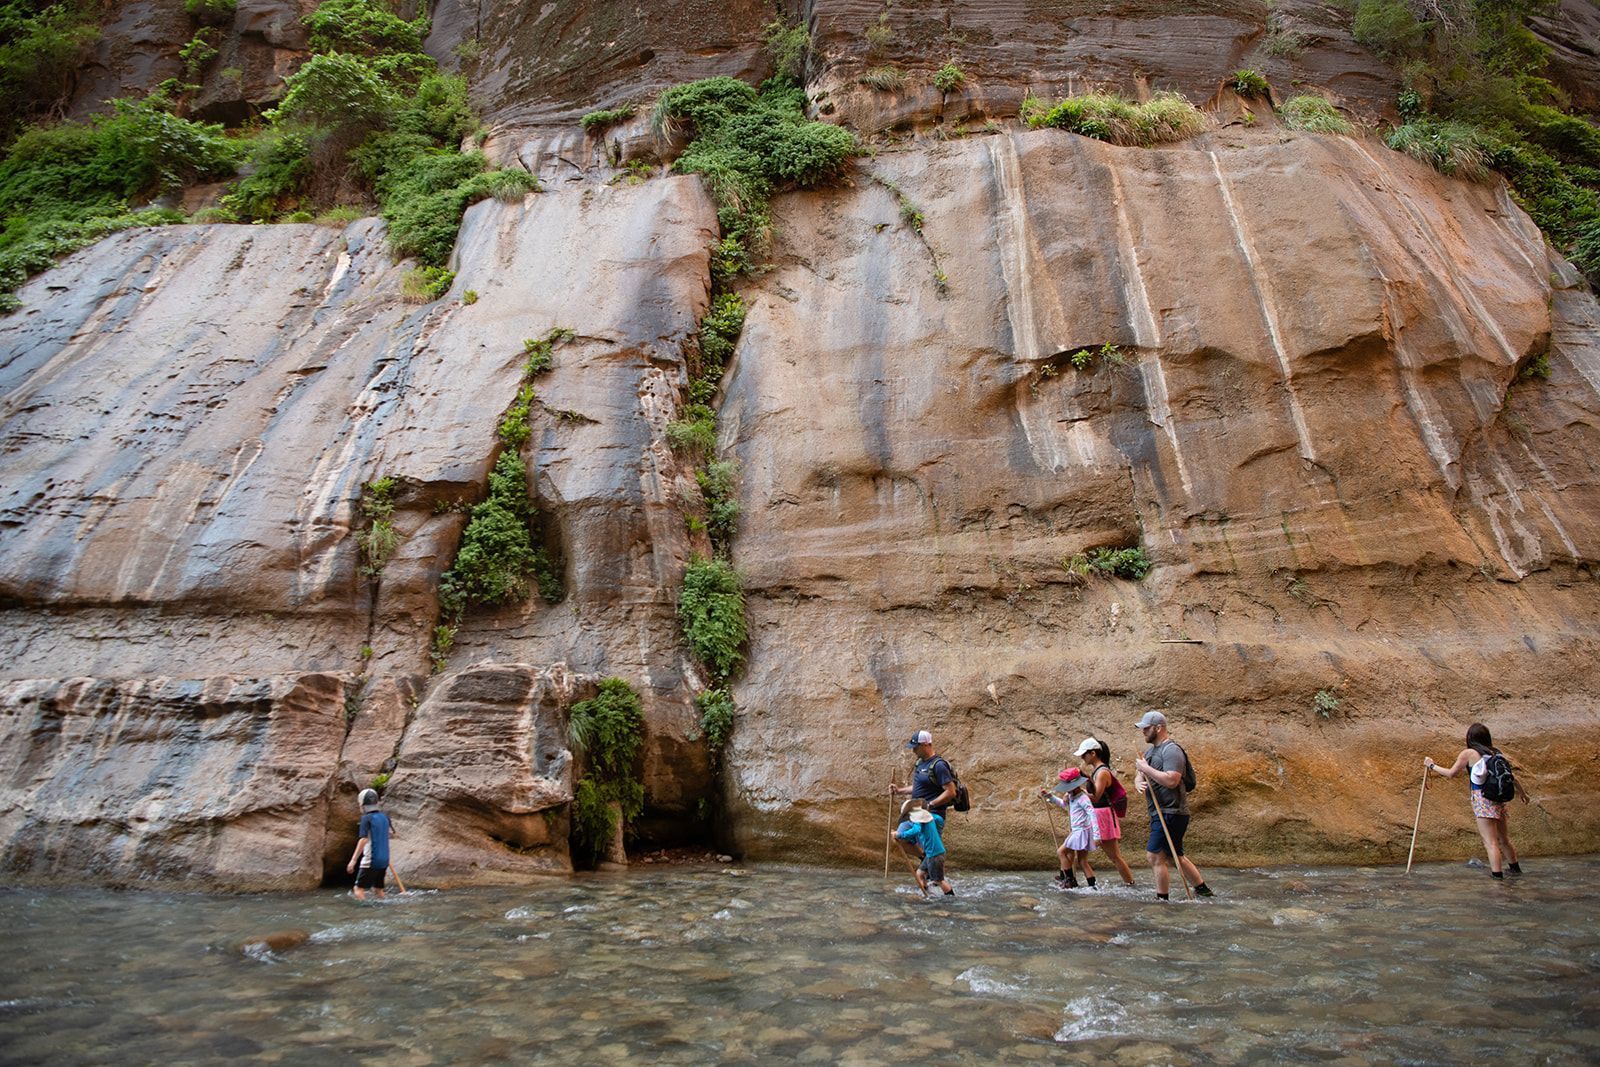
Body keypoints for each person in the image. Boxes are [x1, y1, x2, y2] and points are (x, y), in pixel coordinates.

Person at [1424, 723, 1528, 879]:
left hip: (1482, 800)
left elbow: (1451, 773)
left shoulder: (1469, 753)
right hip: (1498, 800)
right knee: (1503, 839)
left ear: (1470, 738)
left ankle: (1497, 877)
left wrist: (1431, 765)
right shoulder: (1495, 752)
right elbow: (1510, 777)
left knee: (1490, 842)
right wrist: (1522, 793)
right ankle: (1515, 870)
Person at [1132, 711, 1215, 900]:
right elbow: (1140, 773)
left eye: (1146, 728)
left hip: (1172, 811)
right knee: (1173, 855)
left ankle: (1162, 900)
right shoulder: (1150, 752)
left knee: (1154, 856)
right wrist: (1138, 780)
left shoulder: (1171, 750)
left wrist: (1146, 769)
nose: (1143, 731)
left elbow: (1172, 780)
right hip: (1159, 811)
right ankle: (1203, 890)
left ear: (1158, 728)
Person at [1078, 736, 1136, 886]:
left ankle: (1130, 884)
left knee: (1114, 856)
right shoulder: (1097, 771)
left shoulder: (1102, 772)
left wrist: (1079, 792)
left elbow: (1096, 797)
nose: (1082, 757)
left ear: (1093, 753)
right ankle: (1074, 880)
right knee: (1076, 850)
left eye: (1084, 754)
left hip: (1102, 815)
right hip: (1096, 814)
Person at [1040, 767, 1099, 888]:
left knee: (1061, 851)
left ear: (1076, 785)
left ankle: (1070, 880)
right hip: (1081, 831)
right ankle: (1093, 886)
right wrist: (1050, 796)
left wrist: (1097, 834)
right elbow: (1063, 803)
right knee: (1083, 861)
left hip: (1080, 831)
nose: (1066, 791)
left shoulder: (1082, 798)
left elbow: (1092, 813)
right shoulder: (1072, 795)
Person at [890, 730, 958, 818]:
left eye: (916, 747)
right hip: (918, 815)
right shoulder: (920, 762)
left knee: (903, 830)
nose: (913, 751)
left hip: (932, 816)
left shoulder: (939, 765)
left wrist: (930, 805)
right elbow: (920, 787)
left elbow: (951, 792)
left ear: (925, 745)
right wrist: (899, 791)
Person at [893, 801, 954, 896]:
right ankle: (926, 894)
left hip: (934, 854)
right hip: (931, 853)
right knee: (919, 874)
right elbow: (939, 819)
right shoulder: (927, 816)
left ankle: (952, 900)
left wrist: (900, 835)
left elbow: (916, 830)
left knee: (938, 881)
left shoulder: (918, 819)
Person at [346, 788, 394, 900]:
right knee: (378, 889)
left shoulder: (366, 818)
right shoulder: (385, 817)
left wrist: (353, 860)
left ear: (362, 803)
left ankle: (366, 911)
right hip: (384, 859)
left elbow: (363, 839)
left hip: (371, 859)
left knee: (358, 890)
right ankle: (383, 909)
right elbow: (391, 835)